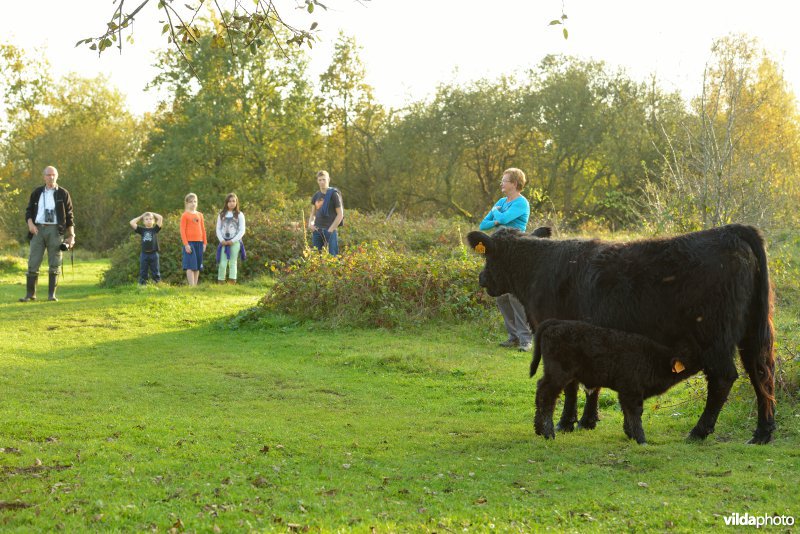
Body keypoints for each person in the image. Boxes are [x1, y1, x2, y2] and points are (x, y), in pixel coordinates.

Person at [478, 167, 532, 352]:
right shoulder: (501, 201)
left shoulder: (521, 203)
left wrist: (496, 214)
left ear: (514, 184)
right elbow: (483, 225)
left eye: (504, 180)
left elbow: (504, 218)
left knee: (515, 296)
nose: (501, 183)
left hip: (516, 253)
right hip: (498, 253)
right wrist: (496, 219)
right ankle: (513, 337)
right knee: (500, 295)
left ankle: (526, 340)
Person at [19, 166, 75, 302]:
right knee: (33, 262)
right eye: (48, 175)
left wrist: (71, 235)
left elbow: (69, 216)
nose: (51, 177)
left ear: (57, 176)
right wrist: (31, 225)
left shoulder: (63, 193)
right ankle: (30, 295)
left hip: (55, 230)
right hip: (37, 229)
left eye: (53, 174)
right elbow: (28, 211)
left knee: (55, 262)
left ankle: (51, 295)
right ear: (44, 177)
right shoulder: (37, 192)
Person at [307, 170, 343, 256]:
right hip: (317, 231)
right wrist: (310, 224)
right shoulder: (316, 195)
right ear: (317, 181)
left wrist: (330, 229)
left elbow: (340, 214)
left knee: (332, 257)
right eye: (320, 180)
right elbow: (313, 213)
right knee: (316, 257)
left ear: (328, 180)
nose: (322, 182)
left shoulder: (334, 195)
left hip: (330, 230)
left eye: (324, 179)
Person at [215, 193, 246, 284]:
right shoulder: (221, 214)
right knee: (222, 263)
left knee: (232, 262)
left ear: (236, 202)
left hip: (235, 242)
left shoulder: (239, 215)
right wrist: (221, 240)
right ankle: (221, 281)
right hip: (223, 242)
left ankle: (232, 282)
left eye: (233, 201)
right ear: (226, 203)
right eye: (229, 201)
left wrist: (233, 241)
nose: (232, 203)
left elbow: (242, 230)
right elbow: (218, 229)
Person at [129, 211, 163, 285]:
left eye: (150, 219)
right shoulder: (142, 230)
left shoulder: (155, 229)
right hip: (144, 254)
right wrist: (141, 216)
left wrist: (152, 213)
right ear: (144, 222)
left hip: (154, 254)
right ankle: (142, 284)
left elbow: (160, 217)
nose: (149, 220)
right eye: (146, 219)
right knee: (143, 271)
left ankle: (157, 283)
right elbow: (132, 222)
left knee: (155, 271)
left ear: (153, 221)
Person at [180, 193, 206, 286]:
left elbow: (203, 229)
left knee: (197, 266)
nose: (193, 203)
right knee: (190, 265)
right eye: (191, 202)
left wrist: (204, 243)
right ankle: (192, 286)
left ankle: (195, 286)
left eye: (195, 201)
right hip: (190, 243)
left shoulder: (200, 215)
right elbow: (182, 231)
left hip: (199, 242)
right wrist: (186, 244)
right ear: (187, 203)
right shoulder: (185, 215)